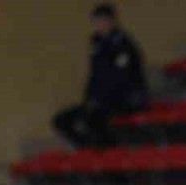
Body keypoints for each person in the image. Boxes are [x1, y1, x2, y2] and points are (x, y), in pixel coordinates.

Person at [52, 4, 148, 148]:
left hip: (126, 99)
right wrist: (89, 98)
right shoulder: (96, 42)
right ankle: (87, 149)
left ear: (112, 21)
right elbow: (95, 74)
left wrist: (100, 99)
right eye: (96, 22)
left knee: (96, 119)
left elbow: (122, 77)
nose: (99, 25)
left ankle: (108, 151)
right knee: (61, 120)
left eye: (103, 21)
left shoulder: (123, 43)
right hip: (102, 99)